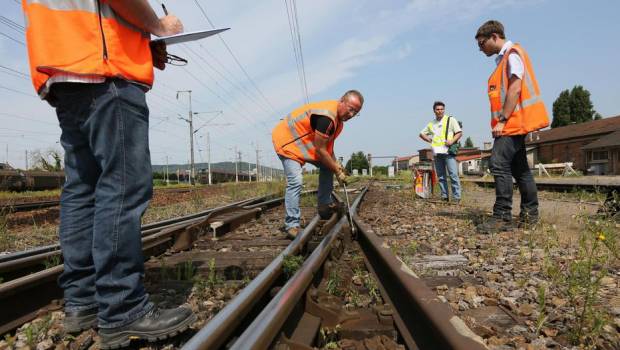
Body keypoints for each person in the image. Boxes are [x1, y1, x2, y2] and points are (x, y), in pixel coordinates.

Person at [22, 1, 196, 348]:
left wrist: (142, 45)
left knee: (82, 189)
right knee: (123, 186)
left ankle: (83, 300)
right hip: (103, 70)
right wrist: (159, 26)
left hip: (60, 71)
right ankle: (122, 309)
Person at [474, 20, 549, 233]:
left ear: (495, 37)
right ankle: (529, 216)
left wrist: (503, 120)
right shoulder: (505, 59)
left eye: (482, 44)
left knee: (497, 164)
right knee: (520, 169)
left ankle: (502, 217)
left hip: (512, 123)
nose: (480, 49)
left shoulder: (513, 55)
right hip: (515, 122)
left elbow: (515, 89)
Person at [272, 90, 364, 238]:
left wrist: (337, 167)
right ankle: (291, 225)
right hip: (287, 142)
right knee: (296, 181)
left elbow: (328, 149)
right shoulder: (327, 117)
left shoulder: (338, 121)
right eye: (351, 109)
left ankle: (324, 207)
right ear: (342, 101)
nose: (352, 114)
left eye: (356, 112)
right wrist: (336, 170)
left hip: (303, 145)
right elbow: (321, 150)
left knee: (328, 167)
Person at [419, 101, 462, 202]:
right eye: (438, 109)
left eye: (442, 109)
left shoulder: (450, 120)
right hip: (437, 153)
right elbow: (421, 134)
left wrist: (451, 141)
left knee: (453, 175)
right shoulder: (432, 123)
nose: (440, 111)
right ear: (434, 111)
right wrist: (429, 140)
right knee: (441, 176)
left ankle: (456, 197)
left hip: (448, 152)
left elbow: (459, 133)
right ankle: (444, 196)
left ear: (444, 110)